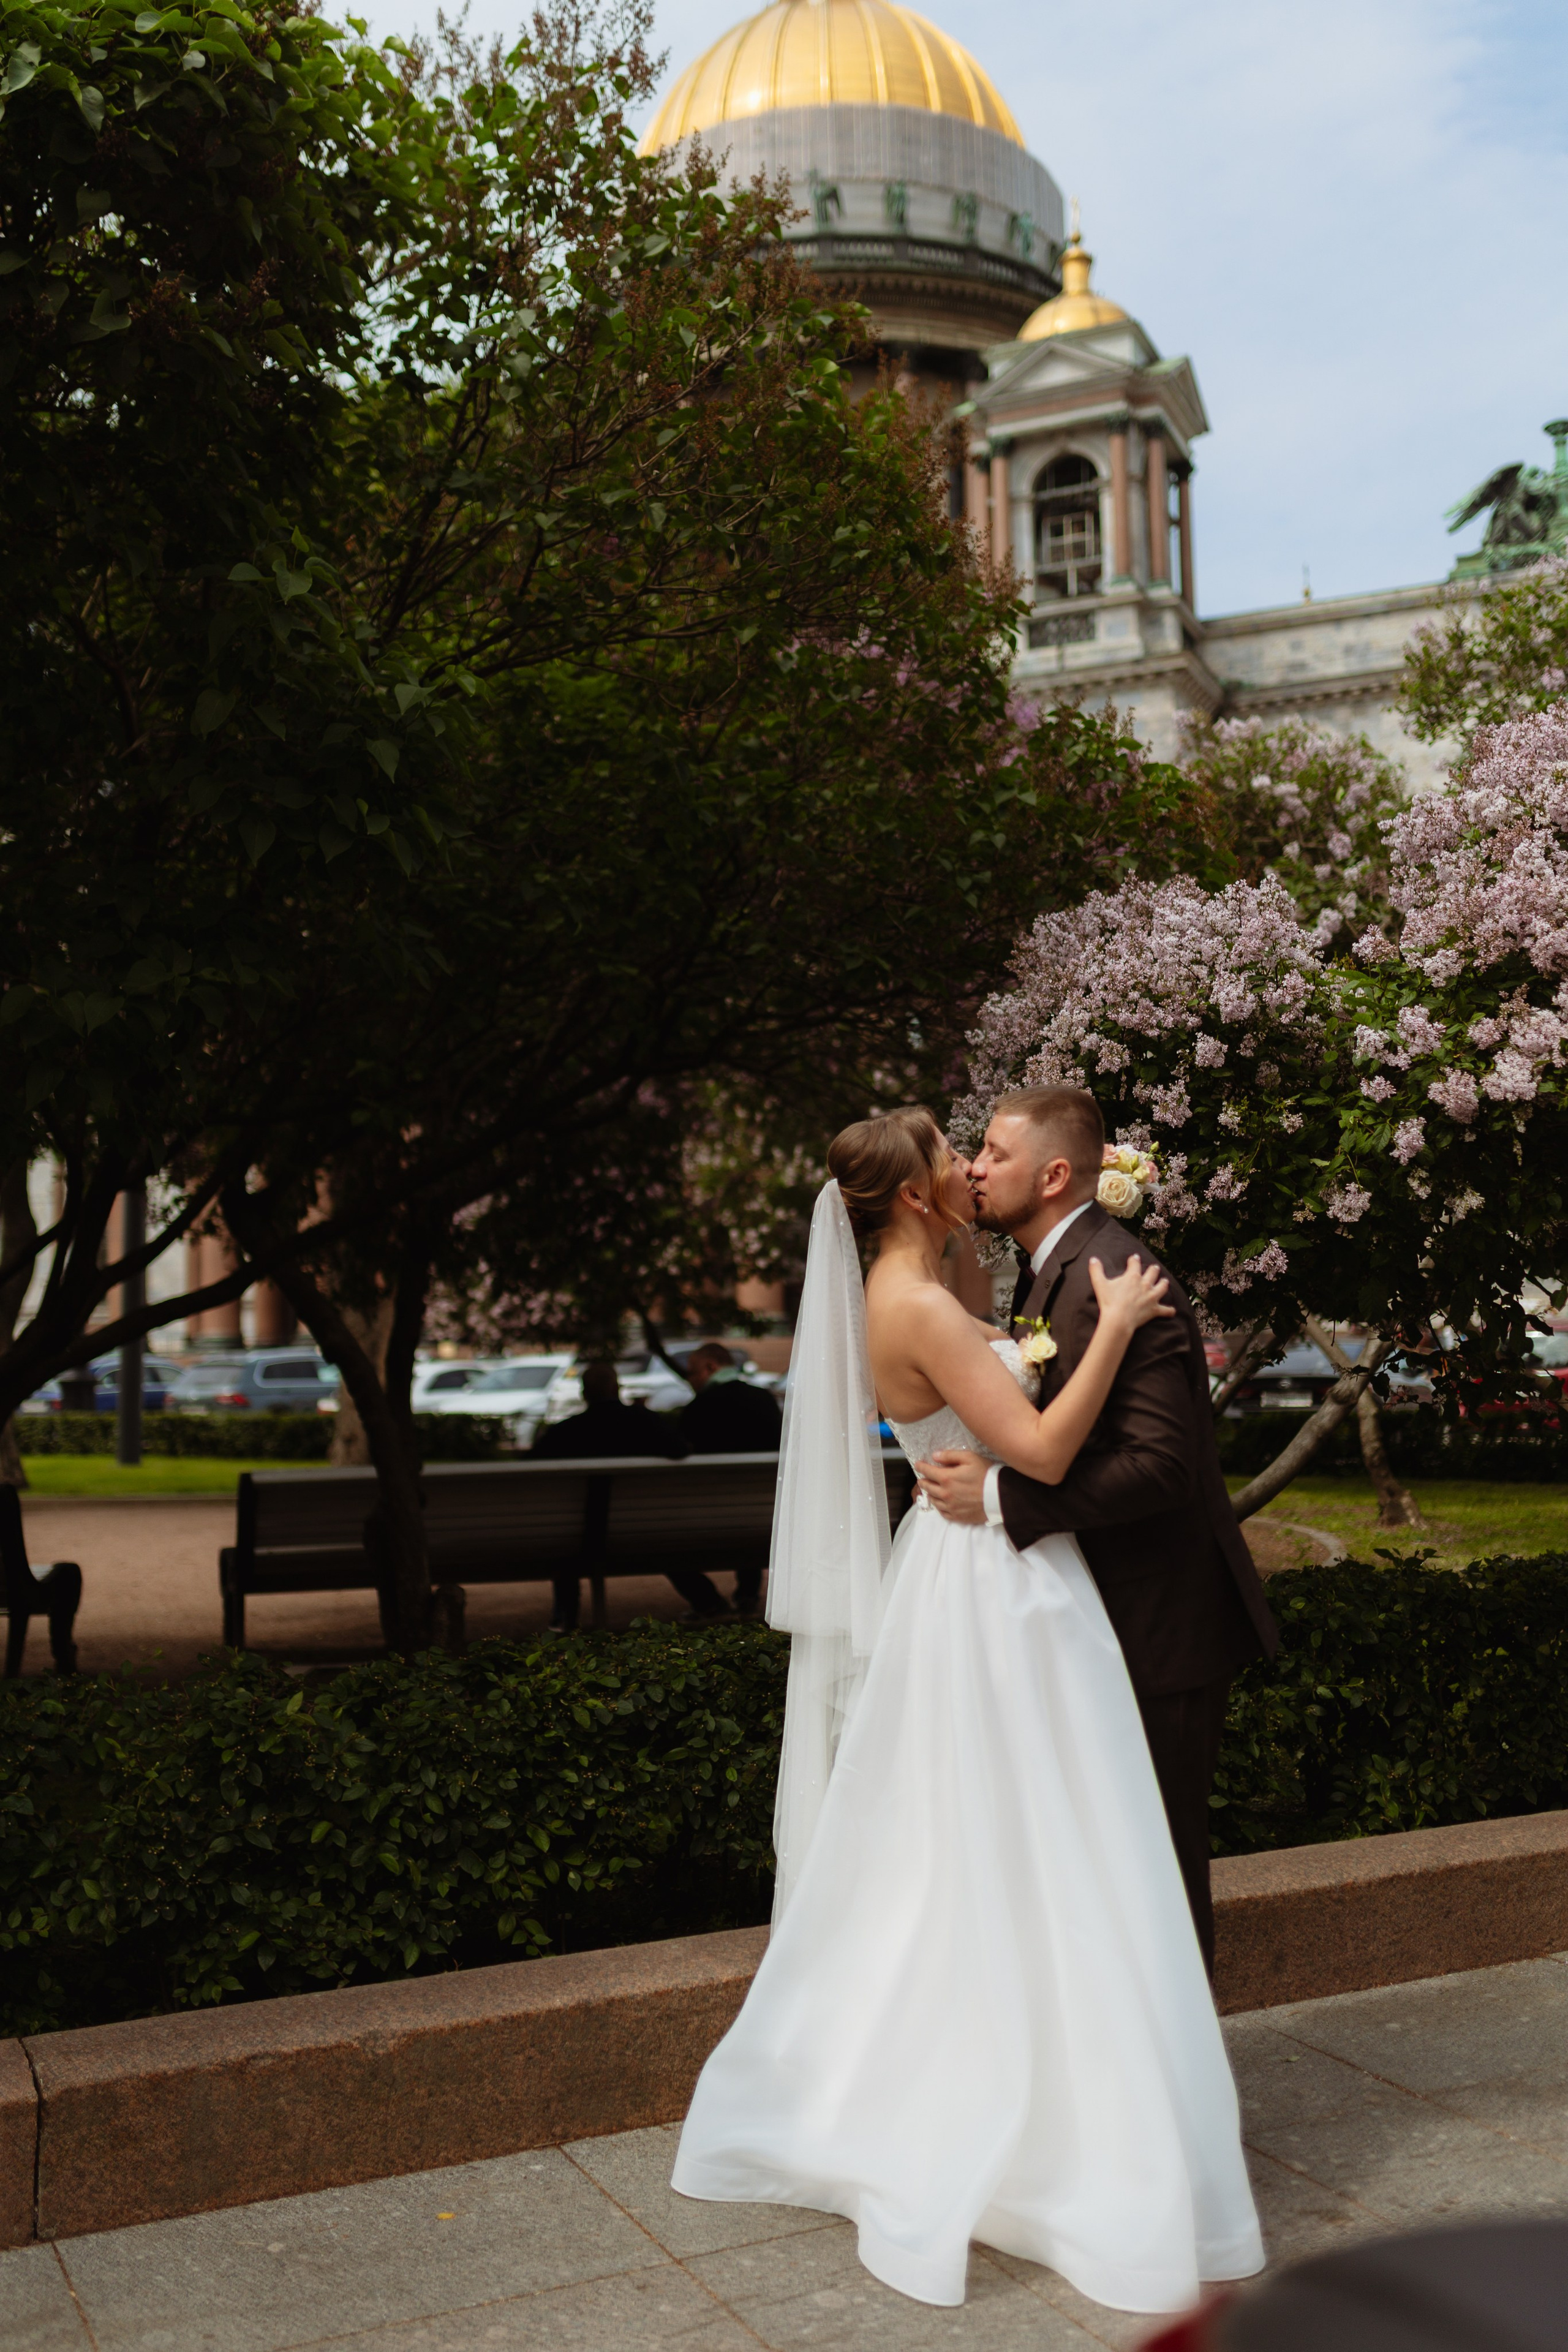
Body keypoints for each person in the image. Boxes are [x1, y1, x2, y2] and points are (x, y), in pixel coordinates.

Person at [671, 1107, 1263, 2313]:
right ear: (911, 1196)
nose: (971, 1168)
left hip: (969, 1578)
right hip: (995, 1586)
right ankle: (1079, 2117)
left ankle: (1064, 2096)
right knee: (1054, 1850)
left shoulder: (932, 1287)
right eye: (955, 1155)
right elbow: (1038, 1451)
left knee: (994, 1851)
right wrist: (1115, 1330)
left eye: (984, 1150)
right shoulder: (931, 1306)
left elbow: (1034, 1409)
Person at [916, 1085, 1278, 1973]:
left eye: (994, 1153)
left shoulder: (1114, 1274)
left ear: (1052, 1175)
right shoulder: (1055, 1267)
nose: (975, 1168)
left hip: (1158, 1625)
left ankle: (1183, 2064)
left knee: (1157, 1872)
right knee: (1110, 1869)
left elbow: (1161, 1467)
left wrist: (1003, 1500)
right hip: (1096, 1617)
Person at [530, 1360, 684, 1630]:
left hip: (584, 1536)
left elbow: (530, 1466)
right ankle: (708, 1601)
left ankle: (566, 1617)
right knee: (670, 1549)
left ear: (584, 1394)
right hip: (647, 1529)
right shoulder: (646, 1422)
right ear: (617, 1389)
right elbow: (681, 1449)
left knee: (565, 1545)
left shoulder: (565, 1432)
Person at [676, 1343, 783, 1618]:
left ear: (710, 1367)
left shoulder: (699, 1408)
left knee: (659, 1543)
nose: (690, 1379)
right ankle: (747, 1594)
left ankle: (707, 1601)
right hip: (764, 1516)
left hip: (707, 1518)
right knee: (748, 1507)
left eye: (692, 1372)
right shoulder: (763, 1399)